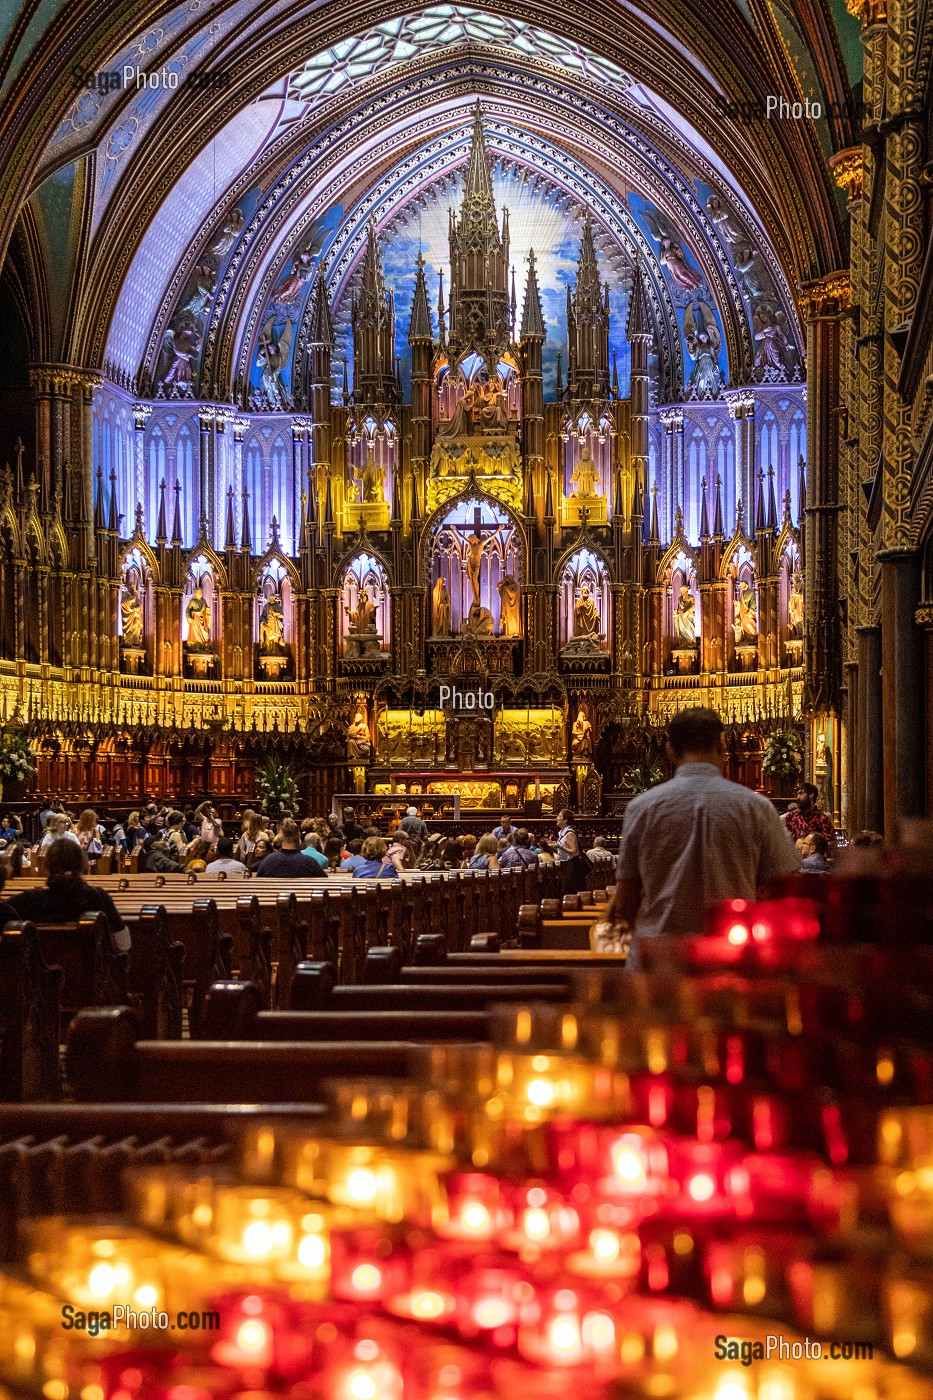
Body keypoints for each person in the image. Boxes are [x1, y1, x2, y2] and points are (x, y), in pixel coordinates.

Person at [608, 707, 800, 968]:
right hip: (730, 961)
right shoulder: (755, 808)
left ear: (670, 749)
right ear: (722, 744)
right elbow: (785, 890)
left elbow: (625, 900)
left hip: (658, 963)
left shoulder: (642, 808)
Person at [8, 838, 131, 952]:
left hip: (39, 974)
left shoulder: (29, 900)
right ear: (83, 864)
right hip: (90, 973)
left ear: (47, 867)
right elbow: (124, 944)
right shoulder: (97, 898)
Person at [255, 821, 327, 878]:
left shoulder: (268, 862)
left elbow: (257, 883)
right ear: (299, 839)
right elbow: (323, 882)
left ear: (280, 838)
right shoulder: (310, 863)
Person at [783, 783, 836, 855]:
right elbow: (782, 838)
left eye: (801, 793)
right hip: (794, 859)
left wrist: (814, 846)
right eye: (797, 794)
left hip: (814, 860)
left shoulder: (822, 818)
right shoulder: (791, 816)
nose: (798, 797)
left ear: (811, 794)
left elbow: (832, 841)